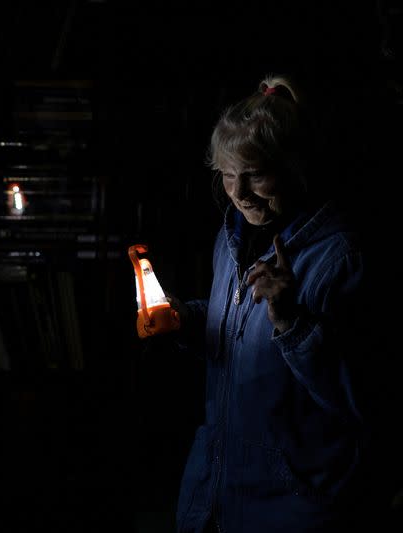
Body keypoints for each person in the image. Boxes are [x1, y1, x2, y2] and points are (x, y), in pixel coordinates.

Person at [171, 74, 377, 532]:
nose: (239, 193)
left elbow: (365, 398)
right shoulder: (229, 240)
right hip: (220, 496)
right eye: (227, 175)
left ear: (295, 165)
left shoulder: (339, 258)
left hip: (292, 508)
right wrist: (186, 319)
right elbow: (237, 328)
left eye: (255, 174)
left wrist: (293, 323)